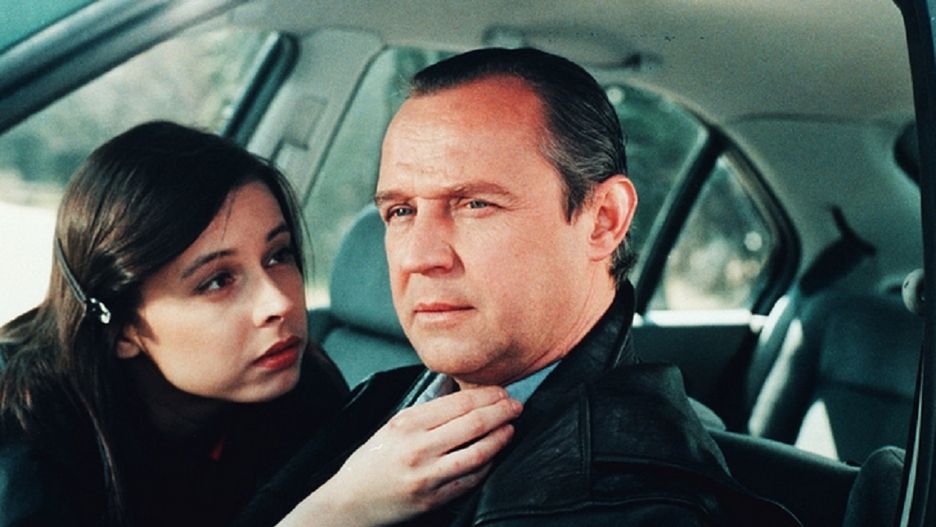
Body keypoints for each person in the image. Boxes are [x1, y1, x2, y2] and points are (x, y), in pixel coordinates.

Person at [236, 47, 802, 526]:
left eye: (475, 204)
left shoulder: (634, 502)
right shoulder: (381, 400)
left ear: (603, 220)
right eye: (401, 211)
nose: (420, 257)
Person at [0, 121, 521, 527]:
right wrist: (335, 512)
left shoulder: (303, 387)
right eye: (217, 281)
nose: (278, 302)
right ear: (123, 328)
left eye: (278, 255)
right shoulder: (25, 455)